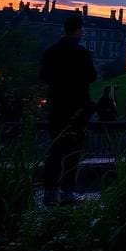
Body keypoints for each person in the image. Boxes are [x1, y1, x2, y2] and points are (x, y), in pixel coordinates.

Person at [40, 14, 97, 206]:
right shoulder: (81, 53)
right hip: (76, 109)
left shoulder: (50, 51)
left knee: (54, 150)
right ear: (78, 30)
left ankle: (49, 191)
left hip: (56, 107)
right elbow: (91, 77)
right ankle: (67, 191)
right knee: (73, 151)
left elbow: (45, 77)